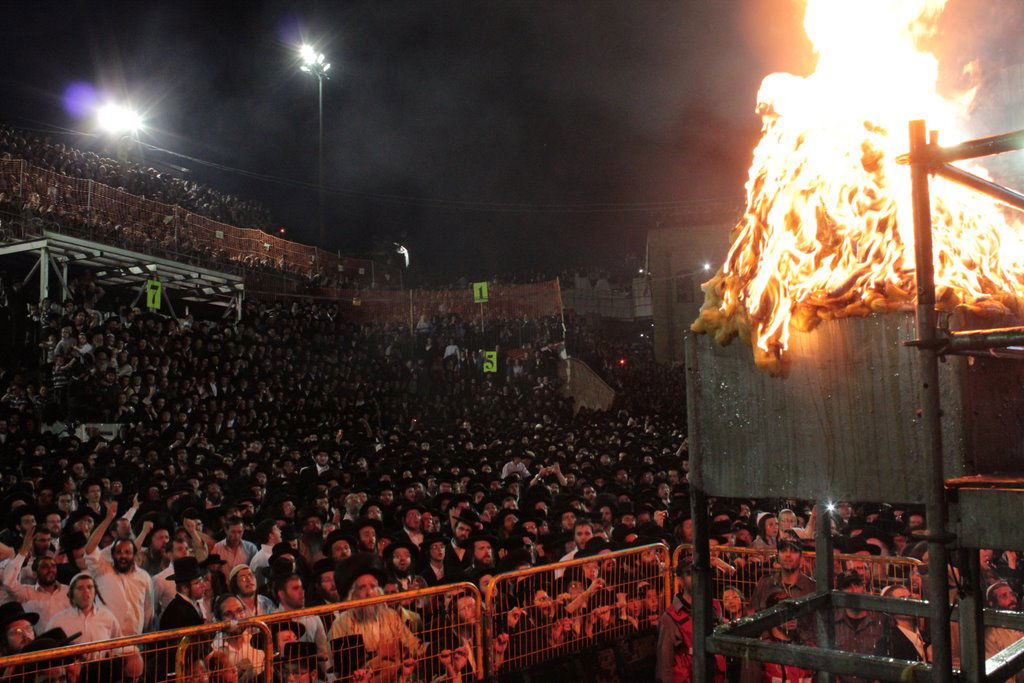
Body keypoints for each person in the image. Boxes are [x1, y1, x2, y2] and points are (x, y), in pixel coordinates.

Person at [328, 554, 422, 681]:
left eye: (373, 586)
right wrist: (380, 655)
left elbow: (413, 646)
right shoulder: (341, 624)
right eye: (362, 588)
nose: (369, 593)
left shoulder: (390, 615)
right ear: (353, 594)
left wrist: (423, 650)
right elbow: (345, 670)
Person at [83, 501, 155, 637]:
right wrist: (108, 519)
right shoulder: (102, 570)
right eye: (119, 552)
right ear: (113, 554)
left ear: (134, 554)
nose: (123, 556)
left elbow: (148, 612)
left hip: (135, 642)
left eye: (127, 552)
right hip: (105, 643)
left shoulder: (144, 576)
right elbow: (89, 549)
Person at [1, 531, 69, 631]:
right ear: (35, 573)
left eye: (53, 566)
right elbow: (8, 582)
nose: (50, 570)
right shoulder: (28, 593)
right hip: (40, 643)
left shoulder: (68, 591)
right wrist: (23, 552)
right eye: (45, 567)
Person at [984, 581, 1024, 683]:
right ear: (992, 604)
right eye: (1004, 596)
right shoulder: (991, 635)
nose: (1011, 599)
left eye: (1012, 594)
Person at [158, 557, 208, 631]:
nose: (203, 585)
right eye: (197, 583)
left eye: (201, 580)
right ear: (184, 588)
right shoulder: (178, 611)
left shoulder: (190, 604)